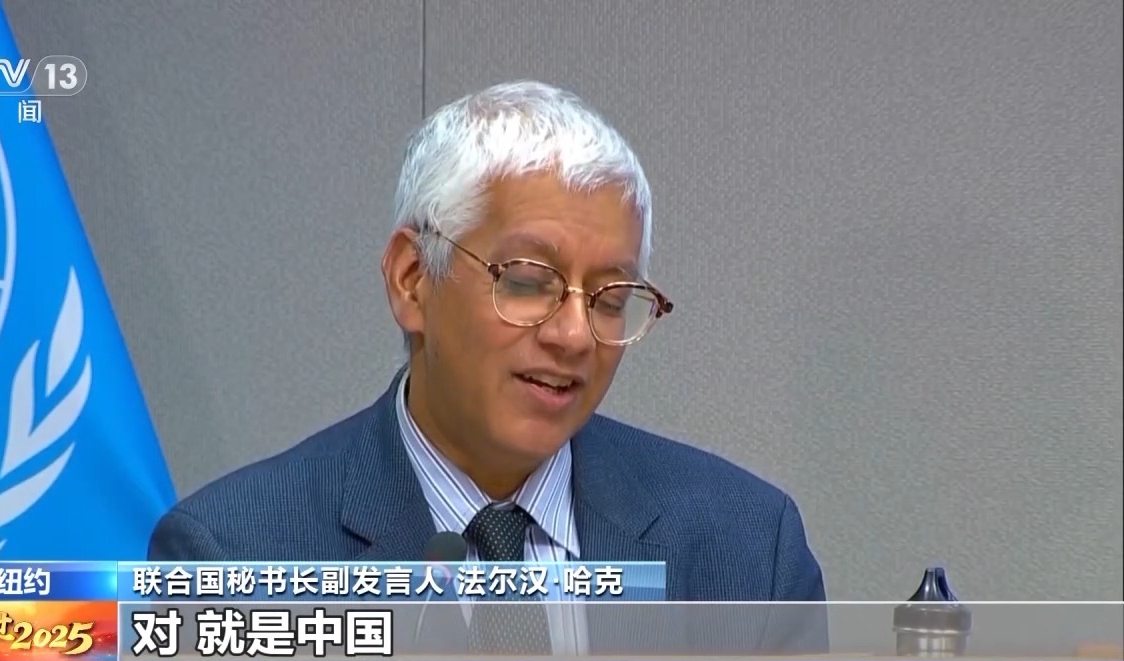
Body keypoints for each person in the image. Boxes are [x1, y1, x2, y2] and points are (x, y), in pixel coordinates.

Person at [149, 80, 827, 654]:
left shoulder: (746, 550)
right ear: (413, 280)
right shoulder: (232, 561)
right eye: (528, 282)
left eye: (610, 299)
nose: (574, 336)